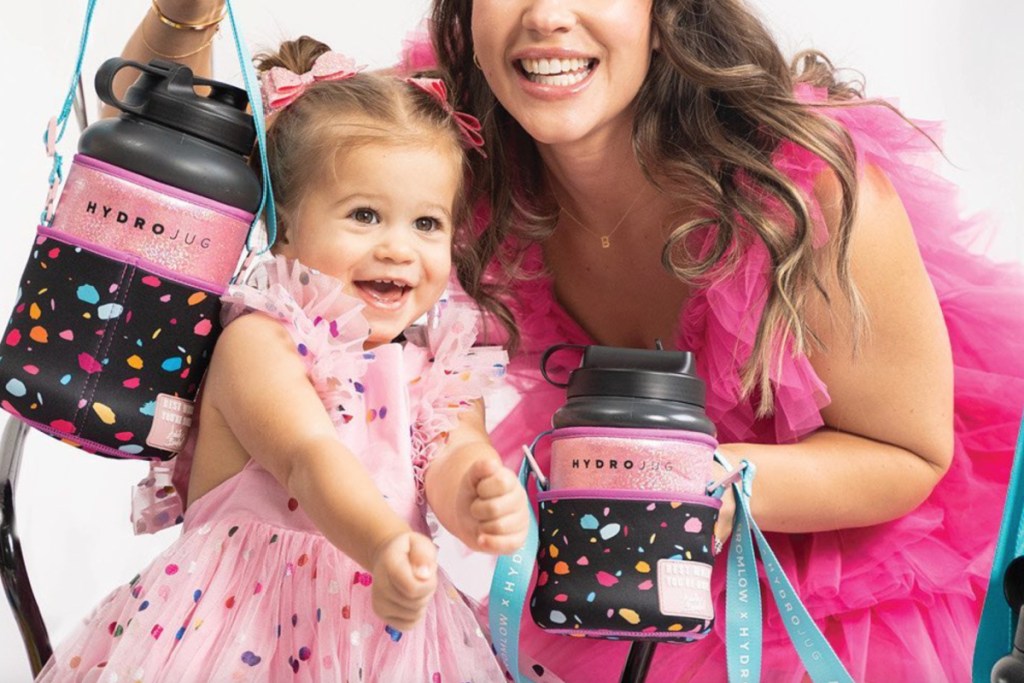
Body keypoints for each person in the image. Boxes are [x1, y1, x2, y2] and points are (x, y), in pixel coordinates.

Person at [124, 1, 1024, 682]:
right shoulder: (452, 145)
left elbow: (910, 450)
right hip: (616, 544)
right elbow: (162, 138)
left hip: (845, 570)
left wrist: (688, 484)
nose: (547, 14)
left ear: (666, 14)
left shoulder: (803, 194)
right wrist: (185, 15)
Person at [36, 34, 527, 682]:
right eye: (365, 215)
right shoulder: (260, 339)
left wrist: (479, 496)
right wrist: (382, 544)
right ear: (286, 222)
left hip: (385, 641)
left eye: (427, 223)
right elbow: (307, 458)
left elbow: (454, 455)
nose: (400, 249)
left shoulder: (433, 363)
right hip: (243, 628)